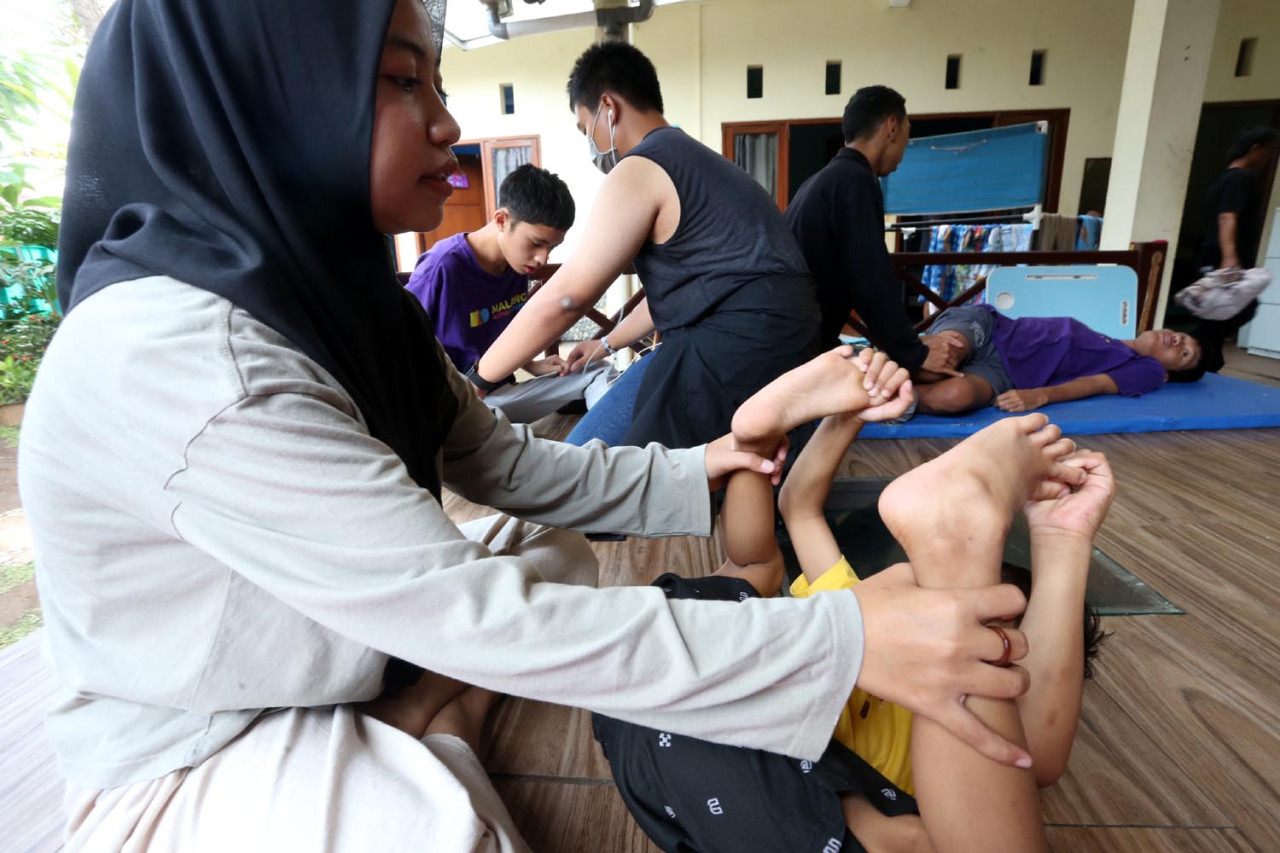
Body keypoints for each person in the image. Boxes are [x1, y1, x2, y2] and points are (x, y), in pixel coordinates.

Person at [24, 1, 1041, 848]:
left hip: (323, 639)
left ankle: (413, 707)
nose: (444, 123)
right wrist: (832, 641)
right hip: (200, 735)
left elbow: (501, 460)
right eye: (397, 80)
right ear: (265, 94)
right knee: (437, 831)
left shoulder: (340, 294)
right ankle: (417, 725)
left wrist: (707, 463)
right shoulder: (184, 355)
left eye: (434, 82)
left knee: (547, 549)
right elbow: (472, 598)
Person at [594, 352, 1110, 852]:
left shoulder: (960, 709)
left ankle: (750, 440)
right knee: (755, 573)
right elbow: (797, 507)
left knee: (753, 572)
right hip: (679, 663)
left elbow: (798, 507)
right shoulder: (882, 629)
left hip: (664, 650)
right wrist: (841, 418)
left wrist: (840, 417)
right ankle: (753, 438)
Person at [468, 41, 821, 449]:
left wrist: (480, 379)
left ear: (609, 107)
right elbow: (684, 293)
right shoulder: (698, 160)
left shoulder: (641, 167)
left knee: (587, 473)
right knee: (602, 450)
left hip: (733, 349)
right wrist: (604, 343)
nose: (592, 145)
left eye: (587, 129)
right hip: (776, 338)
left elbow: (568, 296)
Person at [405, 163, 616, 424]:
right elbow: (400, 348)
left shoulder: (516, 266)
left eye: (552, 247)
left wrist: (532, 364)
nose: (542, 258)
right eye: (536, 243)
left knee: (596, 370)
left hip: (499, 398)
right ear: (502, 220)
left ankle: (615, 445)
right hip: (453, 407)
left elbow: (504, 330)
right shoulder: (442, 267)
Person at [786, 85, 966, 380]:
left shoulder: (826, 178)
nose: (903, 156)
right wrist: (915, 353)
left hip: (800, 340)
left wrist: (907, 345)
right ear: (892, 127)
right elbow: (870, 278)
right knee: (929, 379)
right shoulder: (854, 180)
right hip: (801, 349)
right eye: (907, 138)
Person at [910, 304, 1204, 416]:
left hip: (1003, 374)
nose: (1179, 340)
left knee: (955, 394)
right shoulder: (1110, 344)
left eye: (1185, 353)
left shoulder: (1145, 369)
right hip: (988, 327)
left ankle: (886, 392)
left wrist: (1040, 396)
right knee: (942, 359)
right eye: (1180, 334)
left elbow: (1095, 385)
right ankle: (877, 362)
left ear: (1166, 375)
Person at [1196, 125, 1278, 373]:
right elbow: (1227, 217)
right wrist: (1230, 260)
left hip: (1214, 255)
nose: (1269, 157)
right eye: (1269, 151)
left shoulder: (1225, 178)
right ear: (1255, 148)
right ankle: (1199, 359)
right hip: (1223, 257)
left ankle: (1207, 361)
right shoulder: (1241, 179)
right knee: (1226, 314)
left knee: (1216, 316)